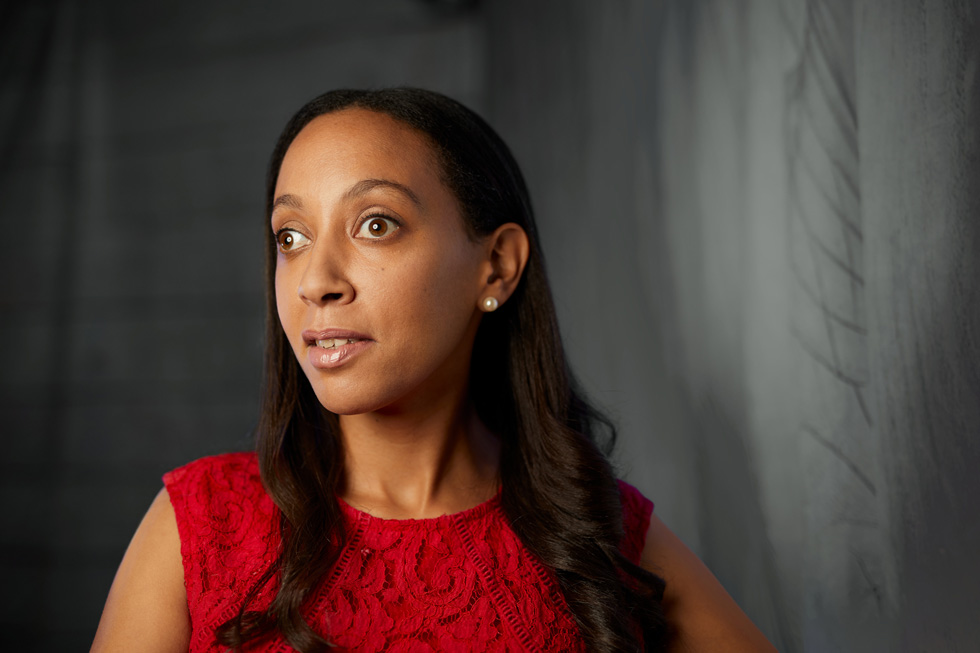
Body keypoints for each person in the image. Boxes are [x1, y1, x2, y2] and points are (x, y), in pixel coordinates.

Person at [91, 88, 776, 653]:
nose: (316, 281)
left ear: (497, 267)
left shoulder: (595, 532)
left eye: (376, 224)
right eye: (290, 238)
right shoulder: (199, 524)